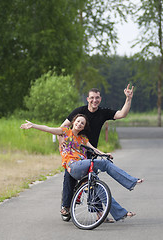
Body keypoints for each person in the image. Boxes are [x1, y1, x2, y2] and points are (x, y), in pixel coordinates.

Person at [20, 114, 144, 221]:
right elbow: (48, 129)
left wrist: (104, 154)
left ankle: (120, 213)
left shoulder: (83, 139)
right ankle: (131, 181)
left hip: (83, 168)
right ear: (73, 122)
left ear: (84, 127)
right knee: (105, 164)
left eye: (82, 123)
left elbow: (94, 150)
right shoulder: (65, 132)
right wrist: (33, 125)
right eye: (78, 121)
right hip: (73, 166)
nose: (79, 124)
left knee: (99, 189)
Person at [59, 84, 136, 221]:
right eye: (92, 98)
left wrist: (128, 98)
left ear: (100, 99)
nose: (95, 100)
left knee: (94, 182)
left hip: (90, 152)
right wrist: (62, 144)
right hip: (74, 152)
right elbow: (63, 127)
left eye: (97, 98)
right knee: (68, 177)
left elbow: (122, 114)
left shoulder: (103, 112)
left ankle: (99, 215)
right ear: (88, 99)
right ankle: (65, 206)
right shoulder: (79, 111)